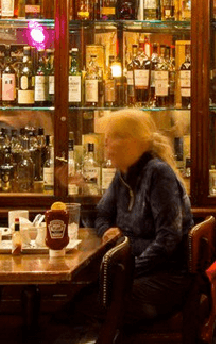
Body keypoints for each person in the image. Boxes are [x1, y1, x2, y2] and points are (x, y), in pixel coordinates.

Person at [60, 110, 194, 327]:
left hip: (166, 278)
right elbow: (102, 216)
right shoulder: (123, 175)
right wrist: (104, 228)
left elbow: (168, 241)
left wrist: (126, 269)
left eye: (111, 137)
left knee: (81, 309)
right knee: (74, 305)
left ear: (132, 142)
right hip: (134, 270)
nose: (105, 143)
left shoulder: (159, 175)